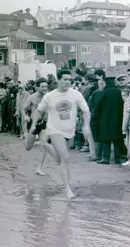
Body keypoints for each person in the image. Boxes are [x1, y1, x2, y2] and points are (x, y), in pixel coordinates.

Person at [31, 69, 91, 199]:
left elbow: (86, 111)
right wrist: (34, 124)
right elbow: (39, 110)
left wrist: (86, 126)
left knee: (60, 159)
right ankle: (68, 190)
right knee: (65, 158)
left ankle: (44, 144)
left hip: (70, 131)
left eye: (70, 80)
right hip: (54, 129)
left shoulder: (76, 95)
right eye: (65, 79)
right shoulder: (50, 96)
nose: (68, 82)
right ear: (58, 80)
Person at [23, 78, 51, 176]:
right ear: (37, 87)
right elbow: (24, 109)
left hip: (44, 123)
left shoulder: (49, 97)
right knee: (27, 147)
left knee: (44, 145)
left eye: (46, 86)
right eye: (42, 86)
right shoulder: (32, 97)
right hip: (32, 123)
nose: (44, 88)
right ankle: (28, 138)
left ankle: (39, 168)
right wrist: (25, 116)